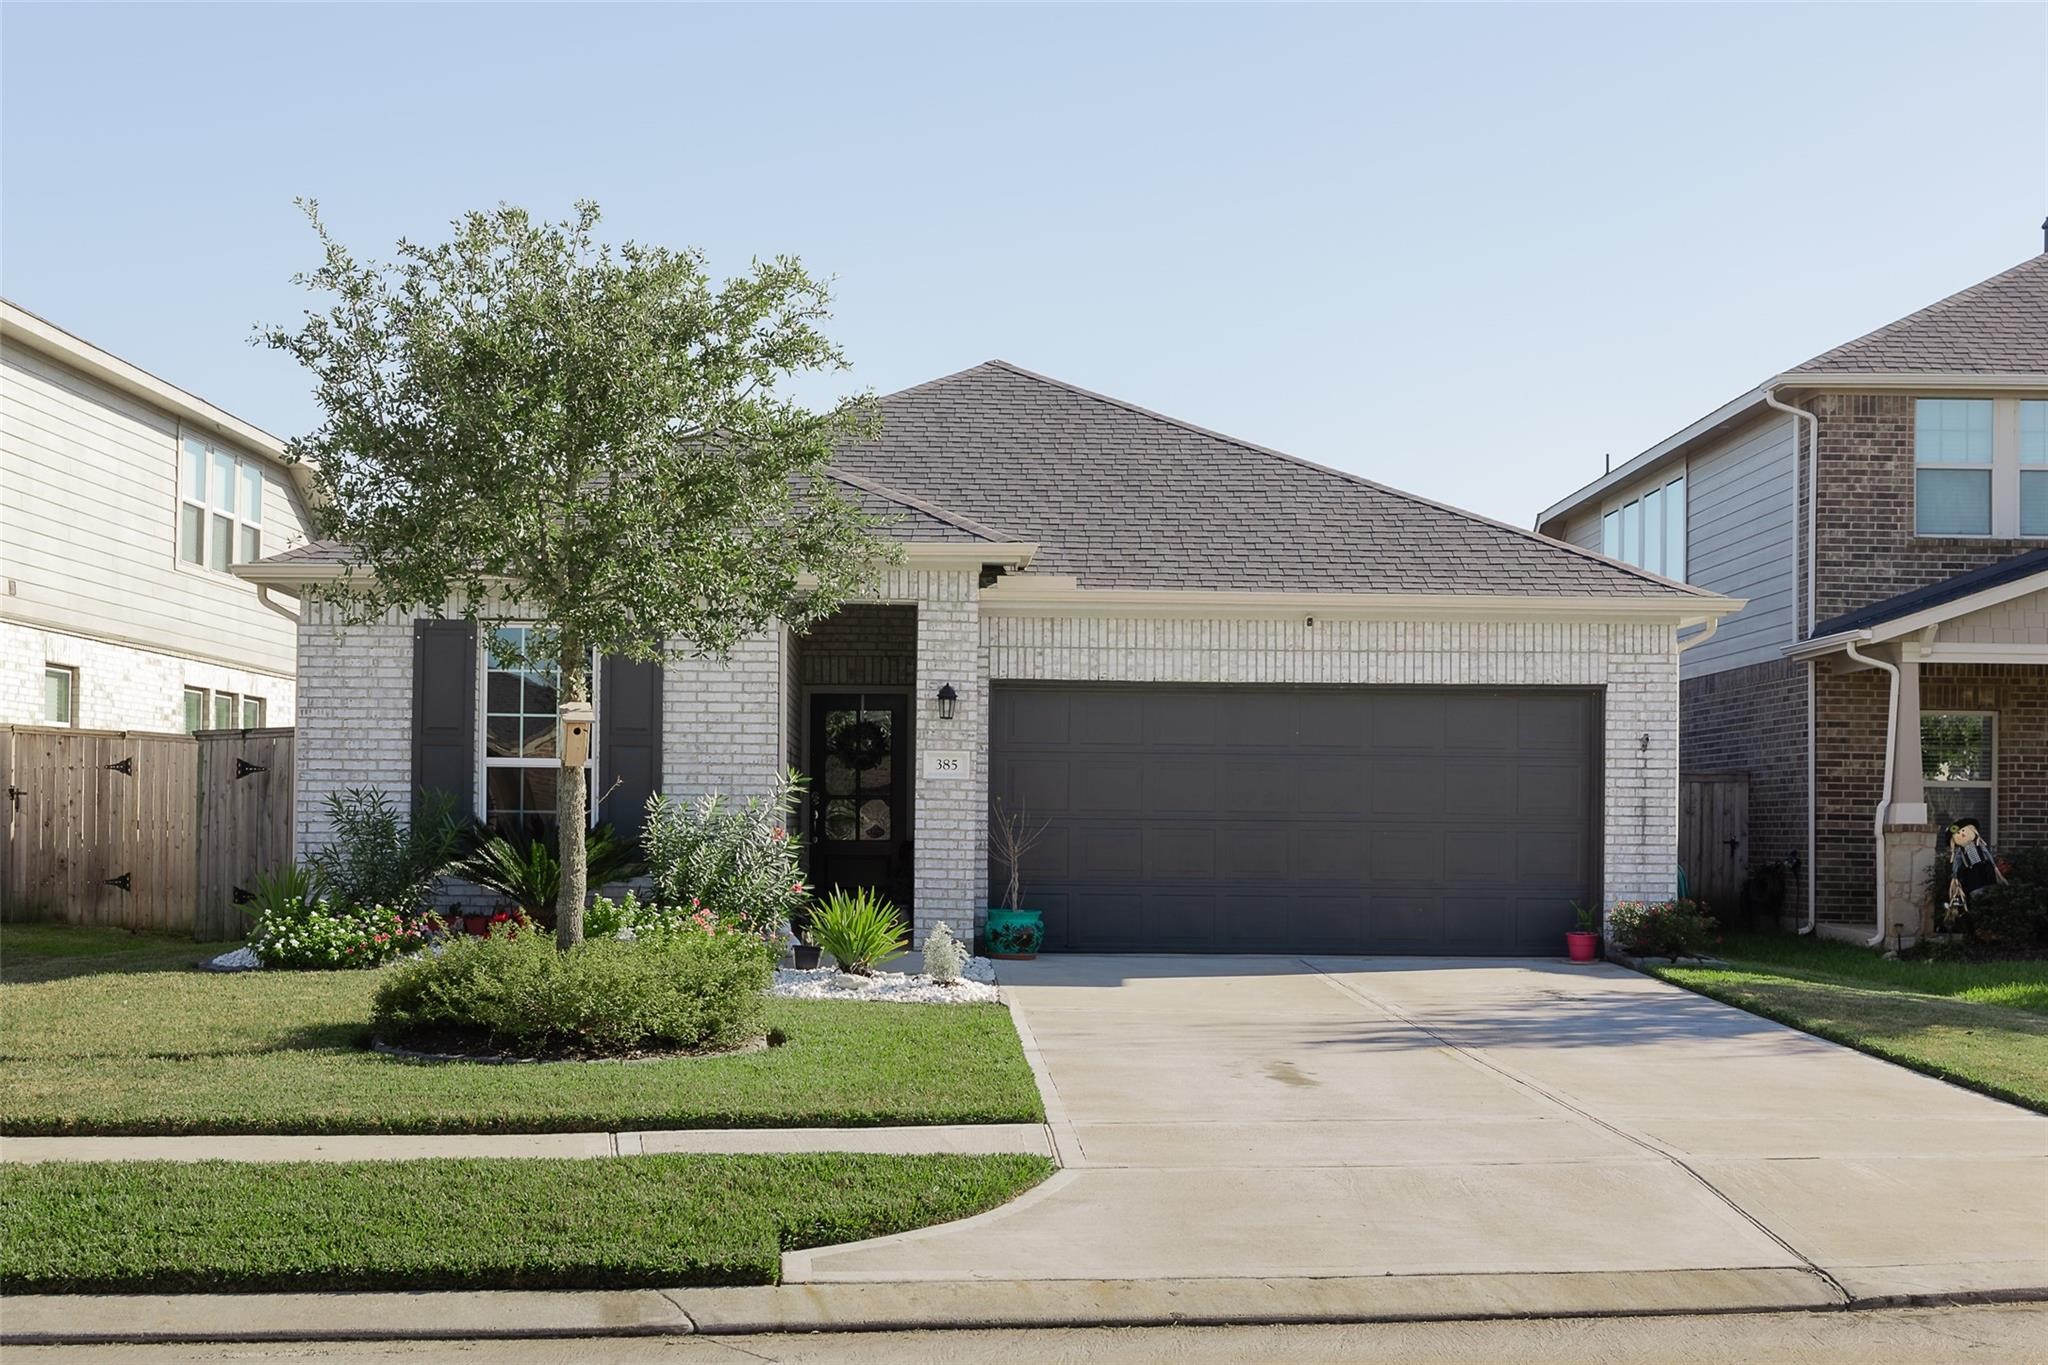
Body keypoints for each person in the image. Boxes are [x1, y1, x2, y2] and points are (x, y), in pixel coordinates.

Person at [1944, 817, 2006, 925]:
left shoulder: (1979, 845)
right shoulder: (1960, 852)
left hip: (1985, 868)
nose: (1962, 834)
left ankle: (1991, 911)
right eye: (1958, 833)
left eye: (1963, 831)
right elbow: (1956, 863)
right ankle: (1979, 913)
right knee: (1976, 891)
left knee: (1990, 888)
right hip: (1972, 871)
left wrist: (1994, 866)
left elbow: (1987, 855)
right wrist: (1954, 876)